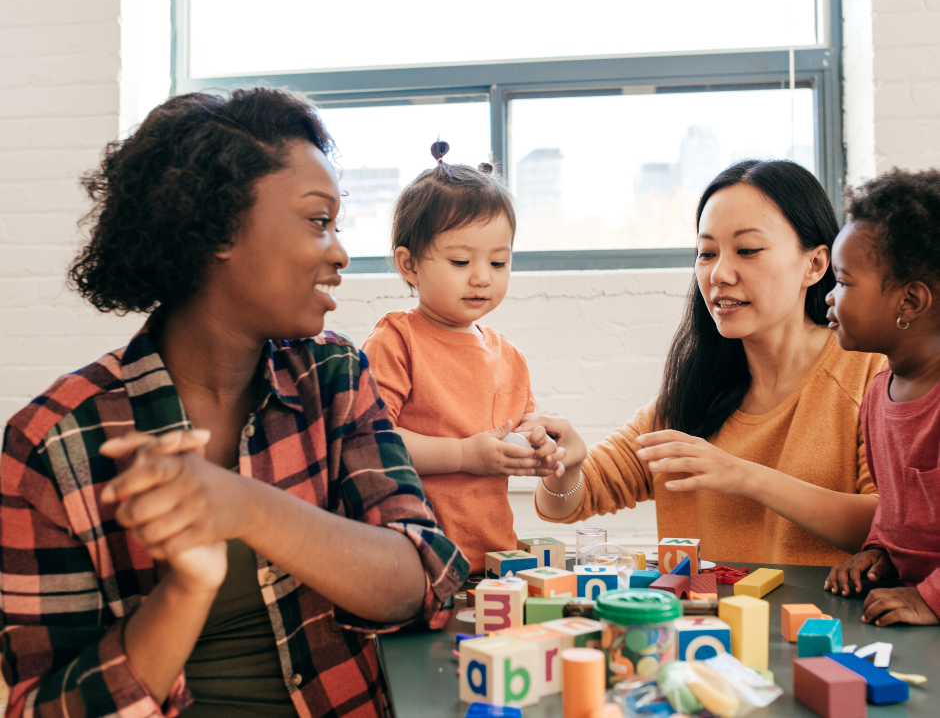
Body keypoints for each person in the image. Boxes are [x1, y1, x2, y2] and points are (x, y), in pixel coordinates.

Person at [0, 89, 469, 718]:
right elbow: (41, 708)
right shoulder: (53, 445)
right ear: (219, 229)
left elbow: (423, 580)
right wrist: (188, 588)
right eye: (317, 221)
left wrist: (247, 508)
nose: (339, 253)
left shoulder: (332, 377)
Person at [522, 160, 887, 565]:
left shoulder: (870, 372)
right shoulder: (697, 391)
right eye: (706, 253)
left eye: (747, 250)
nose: (719, 273)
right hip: (709, 627)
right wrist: (564, 467)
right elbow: (565, 505)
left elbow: (891, 526)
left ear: (815, 265)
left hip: (829, 626)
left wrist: (747, 477)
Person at [362, 141, 562, 573]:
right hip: (414, 562)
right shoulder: (396, 341)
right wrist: (465, 455)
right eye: (459, 260)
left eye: (498, 262)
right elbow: (370, 445)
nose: (481, 277)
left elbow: (523, 433)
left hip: (494, 559)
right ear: (409, 265)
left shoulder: (509, 357)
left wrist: (540, 446)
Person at [823, 169, 940, 627]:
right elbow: (901, 512)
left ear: (909, 302)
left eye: (844, 282)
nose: (830, 298)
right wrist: (880, 552)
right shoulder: (878, 393)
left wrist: (929, 598)